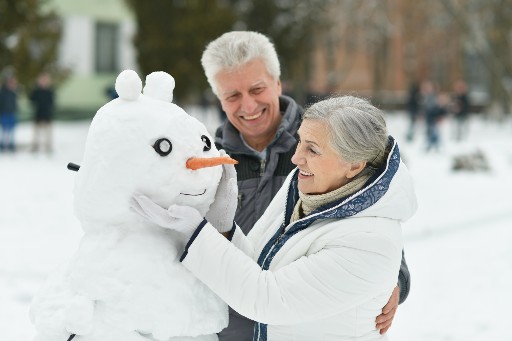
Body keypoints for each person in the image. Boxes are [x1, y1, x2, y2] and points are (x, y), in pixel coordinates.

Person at [131, 95, 417, 340]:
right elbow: (257, 263)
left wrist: (196, 234)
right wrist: (222, 227)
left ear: (354, 164)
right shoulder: (306, 186)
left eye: (312, 149)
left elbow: (267, 298)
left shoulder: (369, 242)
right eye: (301, 142)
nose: (296, 158)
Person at [198, 31, 410, 340]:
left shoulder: (328, 144)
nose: (248, 105)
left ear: (278, 83)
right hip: (230, 330)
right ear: (219, 98)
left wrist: (395, 281)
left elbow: (375, 216)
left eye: (257, 89)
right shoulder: (210, 164)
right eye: (232, 95)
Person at [29, 72, 55, 153]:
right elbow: (31, 100)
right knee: (36, 133)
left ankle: (48, 147)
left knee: (48, 134)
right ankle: (35, 147)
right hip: (38, 115)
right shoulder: (36, 91)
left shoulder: (50, 91)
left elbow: (52, 103)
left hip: (47, 116)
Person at [0, 75, 19, 152]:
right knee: (4, 130)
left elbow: (15, 103)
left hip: (12, 113)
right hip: (4, 113)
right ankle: (3, 144)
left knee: (12, 130)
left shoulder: (14, 93)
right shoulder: (3, 92)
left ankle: (11, 144)